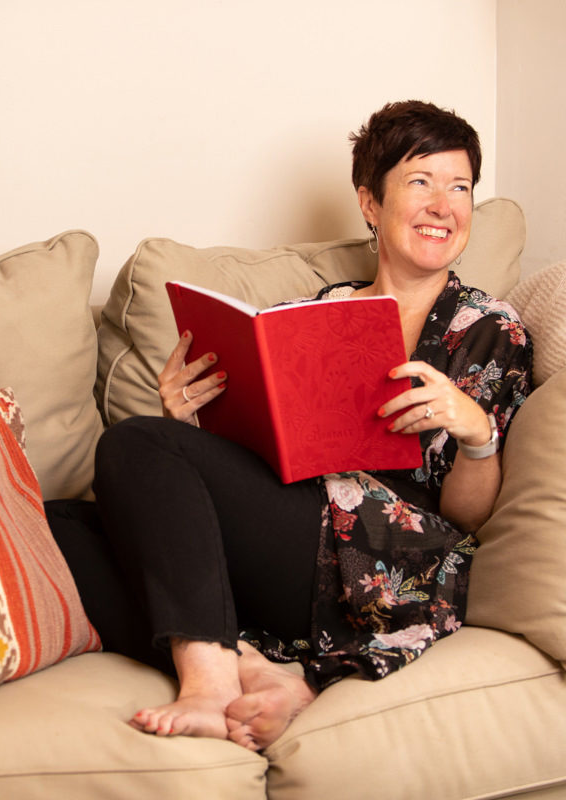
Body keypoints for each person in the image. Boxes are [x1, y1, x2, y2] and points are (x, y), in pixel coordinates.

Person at [45, 100, 533, 753]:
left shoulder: (490, 329)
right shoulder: (306, 315)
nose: (444, 204)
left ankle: (210, 680)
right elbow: (234, 468)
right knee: (57, 525)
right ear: (370, 202)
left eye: (461, 186)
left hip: (390, 560)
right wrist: (190, 423)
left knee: (130, 442)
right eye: (420, 182)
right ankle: (253, 662)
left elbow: (468, 519)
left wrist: (476, 435)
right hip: (287, 532)